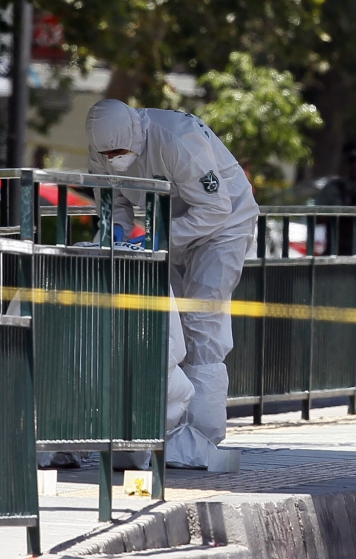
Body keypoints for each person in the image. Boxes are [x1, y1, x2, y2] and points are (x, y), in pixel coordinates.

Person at [86, 99, 259, 468]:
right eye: (108, 153)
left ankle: (201, 438)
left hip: (224, 225)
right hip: (170, 228)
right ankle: (169, 432)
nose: (114, 158)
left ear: (136, 135)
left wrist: (158, 239)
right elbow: (113, 197)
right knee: (172, 326)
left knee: (202, 321)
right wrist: (115, 228)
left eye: (120, 151)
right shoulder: (101, 148)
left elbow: (215, 208)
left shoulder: (176, 139)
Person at [316, 145, 356, 255]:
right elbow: (317, 218)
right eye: (352, 161)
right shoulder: (334, 188)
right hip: (337, 252)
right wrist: (342, 212)